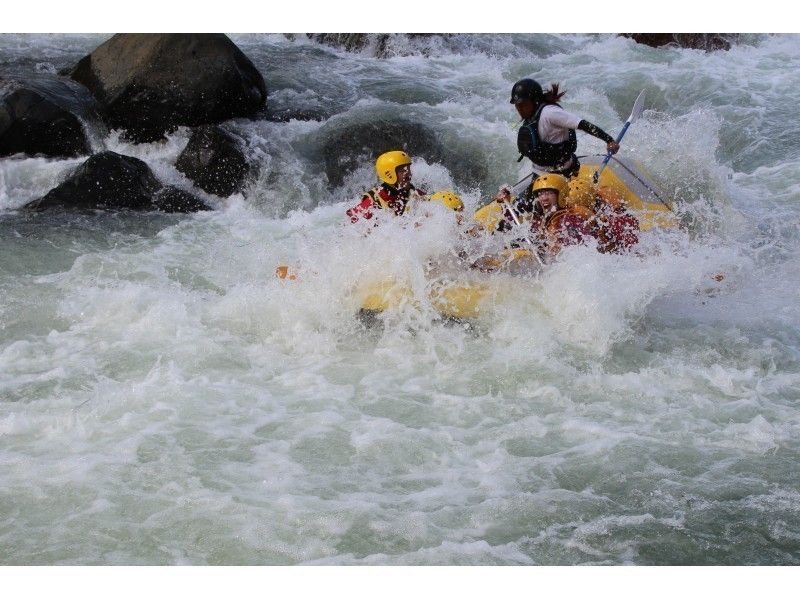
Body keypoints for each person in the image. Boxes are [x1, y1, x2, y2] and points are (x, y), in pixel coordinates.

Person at [510, 78, 620, 178]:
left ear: (535, 101)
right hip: (539, 174)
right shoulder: (530, 117)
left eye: (523, 104)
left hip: (563, 173)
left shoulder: (550, 113)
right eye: (517, 105)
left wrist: (609, 140)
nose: (519, 109)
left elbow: (582, 124)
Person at [346, 150, 428, 223]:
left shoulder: (414, 194)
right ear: (389, 174)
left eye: (409, 169)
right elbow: (349, 227)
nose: (409, 174)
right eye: (403, 171)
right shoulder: (372, 203)